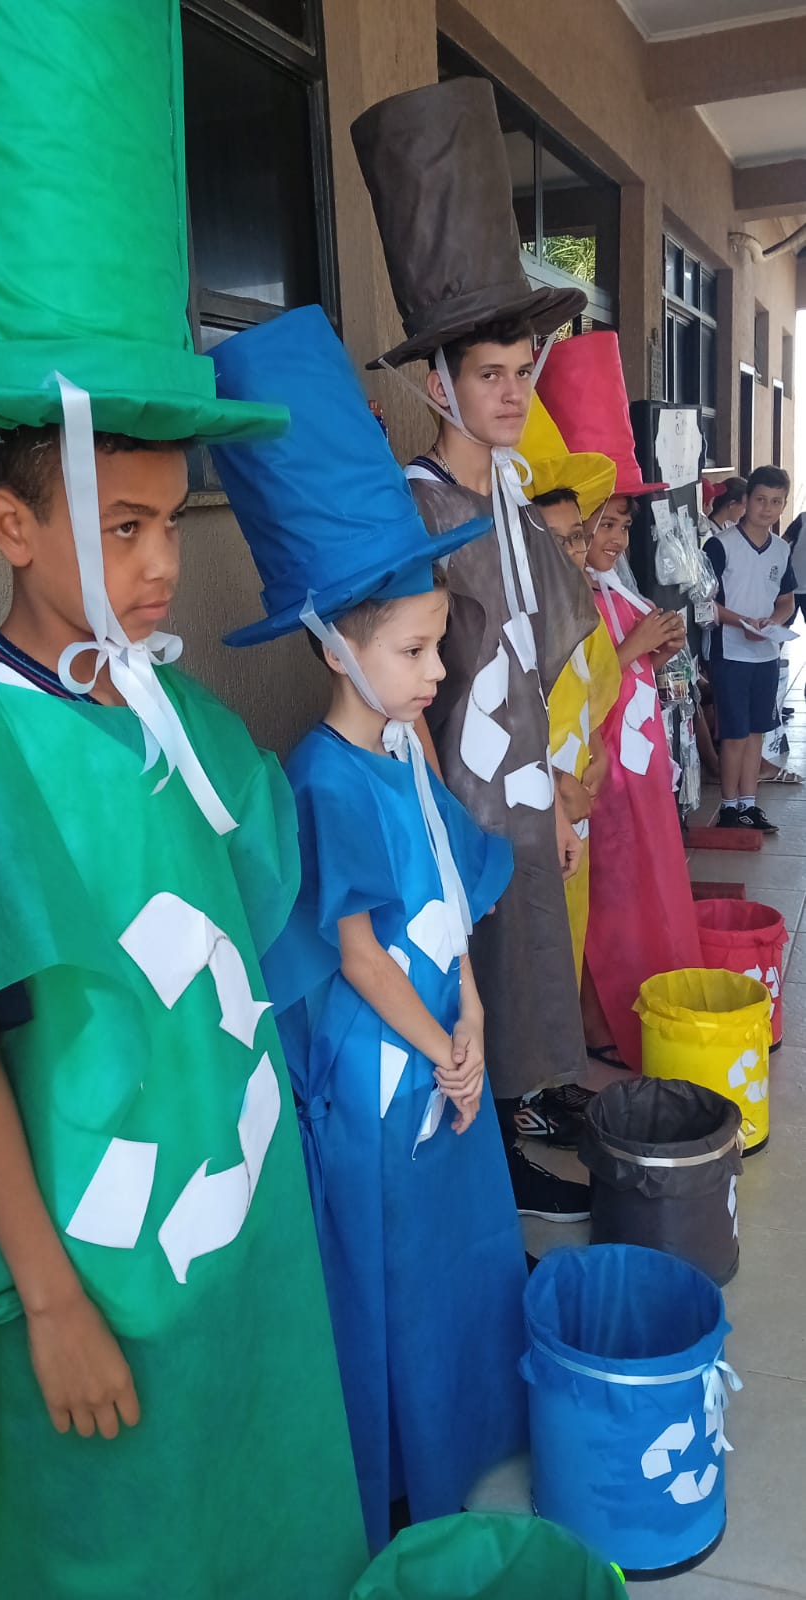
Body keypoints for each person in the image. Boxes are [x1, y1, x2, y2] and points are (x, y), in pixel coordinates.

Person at [0, 6, 369, 1598]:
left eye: (175, 519)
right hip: (92, 1257)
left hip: (237, 1235)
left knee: (251, 1496)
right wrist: (48, 1298)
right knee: (108, 1537)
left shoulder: (172, 714)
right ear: (11, 526)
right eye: (124, 525)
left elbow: (264, 903)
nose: (165, 563)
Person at [212, 304, 529, 1554]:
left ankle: (461, 1440)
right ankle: (393, 1476)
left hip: (443, 1036)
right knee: (390, 1271)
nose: (437, 675)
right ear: (336, 650)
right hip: (384, 1063)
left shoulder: (403, 751)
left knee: (460, 1256)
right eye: (414, 652)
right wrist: (442, 1045)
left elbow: (449, 884)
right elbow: (351, 953)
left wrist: (475, 1010)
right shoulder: (324, 778)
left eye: (437, 646)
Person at [352, 77, 594, 1219]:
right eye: (489, 375)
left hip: (517, 795)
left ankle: (520, 1113)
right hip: (449, 796)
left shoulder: (507, 500)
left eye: (521, 372)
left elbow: (536, 657)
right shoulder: (415, 510)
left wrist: (558, 801)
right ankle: (489, 1164)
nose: (511, 394)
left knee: (526, 960)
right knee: (467, 971)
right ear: (438, 382)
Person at [536, 330, 702, 1072]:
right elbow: (571, 688)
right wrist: (632, 651)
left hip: (635, 781)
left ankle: (640, 1009)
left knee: (640, 896)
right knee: (601, 905)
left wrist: (650, 658)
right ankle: (595, 1021)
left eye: (618, 524)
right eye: (596, 525)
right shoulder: (562, 604)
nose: (606, 539)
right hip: (593, 784)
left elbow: (619, 675)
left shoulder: (611, 592)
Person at [533, 484, 622, 986]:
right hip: (533, 803)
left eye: (576, 537)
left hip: (575, 802)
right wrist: (553, 781)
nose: (572, 551)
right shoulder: (513, 626)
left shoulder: (583, 614)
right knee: (535, 952)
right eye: (555, 540)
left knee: (570, 931)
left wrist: (600, 750)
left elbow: (590, 699)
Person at [704, 465, 796, 834]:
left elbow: (786, 600)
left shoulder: (781, 549)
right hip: (731, 653)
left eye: (776, 502)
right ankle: (729, 807)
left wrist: (772, 622)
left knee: (757, 730)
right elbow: (704, 603)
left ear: (784, 505)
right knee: (735, 733)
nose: (767, 508)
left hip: (766, 654)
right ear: (745, 500)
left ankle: (748, 804)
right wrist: (742, 622)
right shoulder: (720, 545)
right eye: (760, 500)